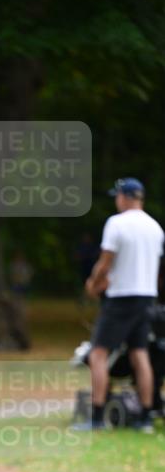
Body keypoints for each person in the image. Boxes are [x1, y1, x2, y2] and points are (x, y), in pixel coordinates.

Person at [83, 178, 164, 432]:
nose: (116, 200)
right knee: (139, 354)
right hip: (146, 298)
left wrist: (93, 284)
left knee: (98, 354)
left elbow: (106, 262)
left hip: (120, 298)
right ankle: (145, 417)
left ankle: (96, 416)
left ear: (126, 197)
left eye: (117, 196)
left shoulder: (116, 224)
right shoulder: (155, 228)